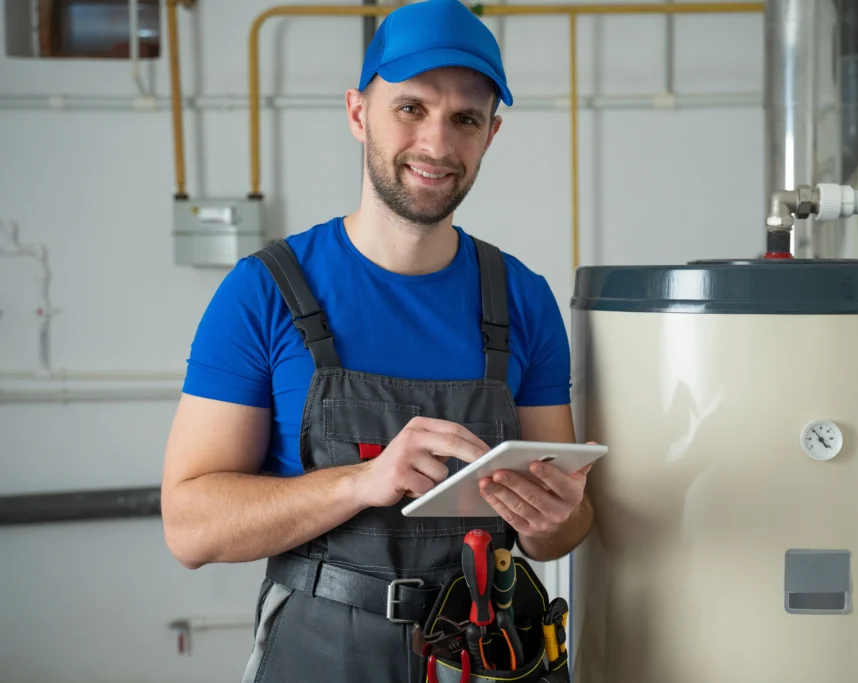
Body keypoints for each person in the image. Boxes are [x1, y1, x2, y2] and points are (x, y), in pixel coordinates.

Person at [159, 0, 593, 680]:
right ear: (359, 112)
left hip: (485, 648)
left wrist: (554, 519)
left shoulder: (522, 298)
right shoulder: (264, 292)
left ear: (491, 135)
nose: (438, 145)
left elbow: (562, 530)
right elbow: (189, 527)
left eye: (465, 120)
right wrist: (362, 481)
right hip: (319, 650)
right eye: (411, 108)